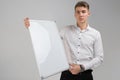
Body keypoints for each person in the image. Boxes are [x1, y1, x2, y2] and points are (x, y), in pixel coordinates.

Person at [24, 1, 104, 80]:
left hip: (85, 75)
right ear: (75, 14)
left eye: (83, 12)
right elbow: (49, 40)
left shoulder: (95, 34)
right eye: (78, 12)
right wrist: (32, 27)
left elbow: (99, 58)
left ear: (88, 13)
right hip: (67, 75)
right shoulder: (65, 30)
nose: (81, 14)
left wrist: (82, 67)